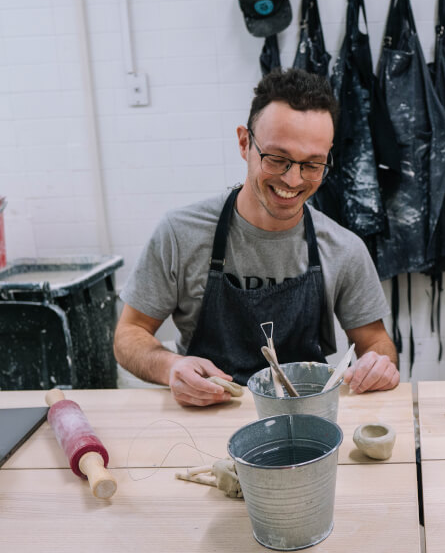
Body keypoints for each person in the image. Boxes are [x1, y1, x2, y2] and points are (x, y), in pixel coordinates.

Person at [115, 69, 400, 406]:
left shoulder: (343, 248)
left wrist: (378, 365)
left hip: (306, 421)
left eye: (313, 164)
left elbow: (377, 344)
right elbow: (129, 335)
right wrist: (171, 367)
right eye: (277, 159)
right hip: (207, 416)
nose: (293, 180)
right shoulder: (180, 233)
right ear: (244, 142)